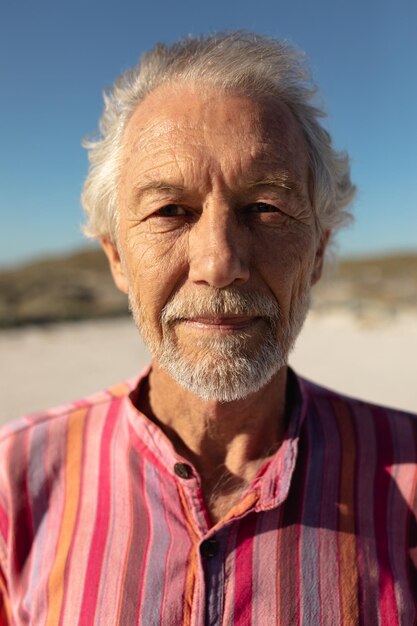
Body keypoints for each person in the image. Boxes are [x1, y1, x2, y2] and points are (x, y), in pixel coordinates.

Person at [0, 32, 416, 626]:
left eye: (265, 208)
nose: (219, 261)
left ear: (318, 252)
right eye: (171, 211)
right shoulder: (15, 480)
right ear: (117, 256)